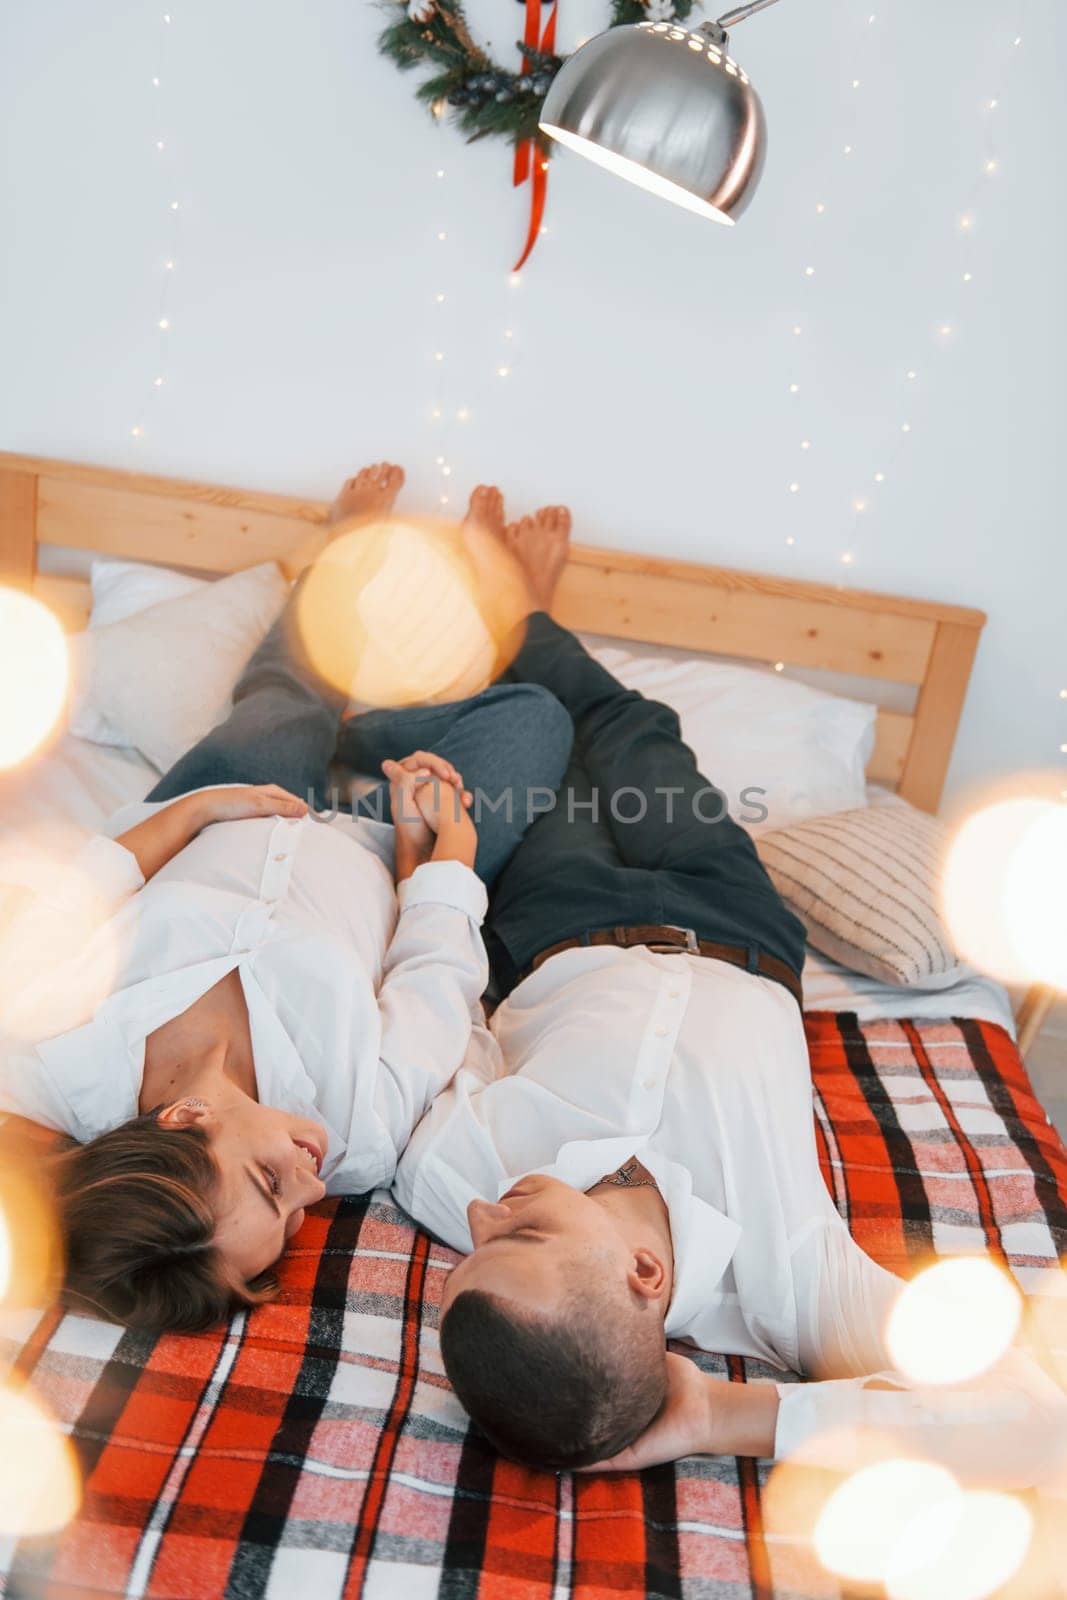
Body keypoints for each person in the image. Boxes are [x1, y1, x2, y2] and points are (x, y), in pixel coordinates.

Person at [395, 508, 1067, 1490]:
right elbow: (1030, 1417)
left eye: (471, 1252)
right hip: (735, 922)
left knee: (562, 744)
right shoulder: (782, 1277)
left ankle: (516, 617)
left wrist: (433, 883)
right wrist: (729, 1413)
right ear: (644, 1276)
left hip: (557, 922)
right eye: (522, 1235)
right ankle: (520, 614)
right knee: (641, 740)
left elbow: (439, 1005)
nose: (485, 1217)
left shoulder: (457, 1172)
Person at [0, 464, 573, 1335]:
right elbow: (432, 971)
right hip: (389, 855)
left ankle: (341, 567)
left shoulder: (47, 1047)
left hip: (227, 804)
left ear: (184, 1118)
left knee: (281, 700)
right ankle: (427, 683)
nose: (313, 1183)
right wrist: (437, 852)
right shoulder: (360, 1134)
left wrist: (198, 808)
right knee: (534, 719)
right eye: (293, 1219)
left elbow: (90, 887)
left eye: (271, 1182)